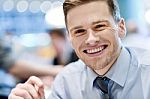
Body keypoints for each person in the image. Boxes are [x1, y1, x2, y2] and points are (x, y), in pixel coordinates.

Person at [8, 0, 150, 99]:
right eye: (79, 31)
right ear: (70, 38)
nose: (91, 39)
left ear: (121, 27)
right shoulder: (66, 82)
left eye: (99, 26)